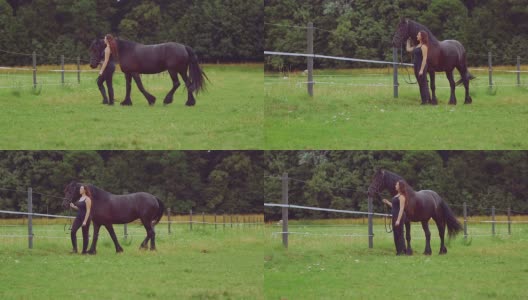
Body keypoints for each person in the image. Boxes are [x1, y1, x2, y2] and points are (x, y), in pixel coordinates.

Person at [382, 180, 408, 255]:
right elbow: (394, 206)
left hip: (399, 216)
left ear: (400, 186)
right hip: (395, 216)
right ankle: (399, 251)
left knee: (399, 233)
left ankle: (402, 251)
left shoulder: (402, 196)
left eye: (397, 185)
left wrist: (398, 220)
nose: (395, 186)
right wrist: (387, 202)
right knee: (396, 233)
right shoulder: (396, 196)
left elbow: (401, 209)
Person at [406, 30, 431, 104]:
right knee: (420, 83)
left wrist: (421, 70)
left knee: (423, 83)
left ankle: (426, 100)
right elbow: (408, 49)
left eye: (418, 35)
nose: (417, 36)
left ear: (422, 37)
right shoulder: (417, 46)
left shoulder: (424, 46)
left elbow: (424, 58)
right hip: (416, 65)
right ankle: (424, 100)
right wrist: (408, 41)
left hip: (421, 66)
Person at [69, 185, 92, 254]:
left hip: (86, 218)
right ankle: (75, 249)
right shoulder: (80, 198)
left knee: (85, 234)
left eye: (81, 189)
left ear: (85, 190)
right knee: (73, 231)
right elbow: (80, 208)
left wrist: (85, 221)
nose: (80, 190)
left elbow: (88, 211)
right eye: (80, 188)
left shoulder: (87, 199)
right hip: (78, 217)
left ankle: (84, 252)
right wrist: (73, 206)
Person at [97, 34, 117, 105]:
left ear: (108, 40)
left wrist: (101, 70)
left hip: (108, 67)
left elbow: (106, 61)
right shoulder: (111, 47)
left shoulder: (108, 48)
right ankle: (106, 100)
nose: (104, 40)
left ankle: (111, 102)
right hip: (111, 66)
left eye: (105, 39)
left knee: (108, 84)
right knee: (99, 82)